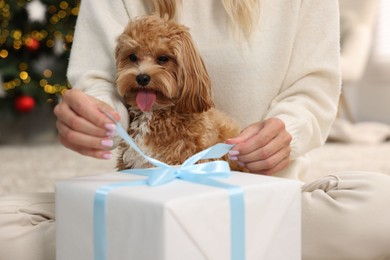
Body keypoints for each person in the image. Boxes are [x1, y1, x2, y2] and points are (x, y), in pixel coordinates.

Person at [1, 0, 390, 259]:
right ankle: (205, 241)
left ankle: (138, 243)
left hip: (255, 191)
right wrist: (101, 115)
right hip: (141, 196)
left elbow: (314, 85)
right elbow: (100, 79)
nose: (143, 68)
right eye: (136, 58)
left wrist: (287, 130)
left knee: (380, 203)